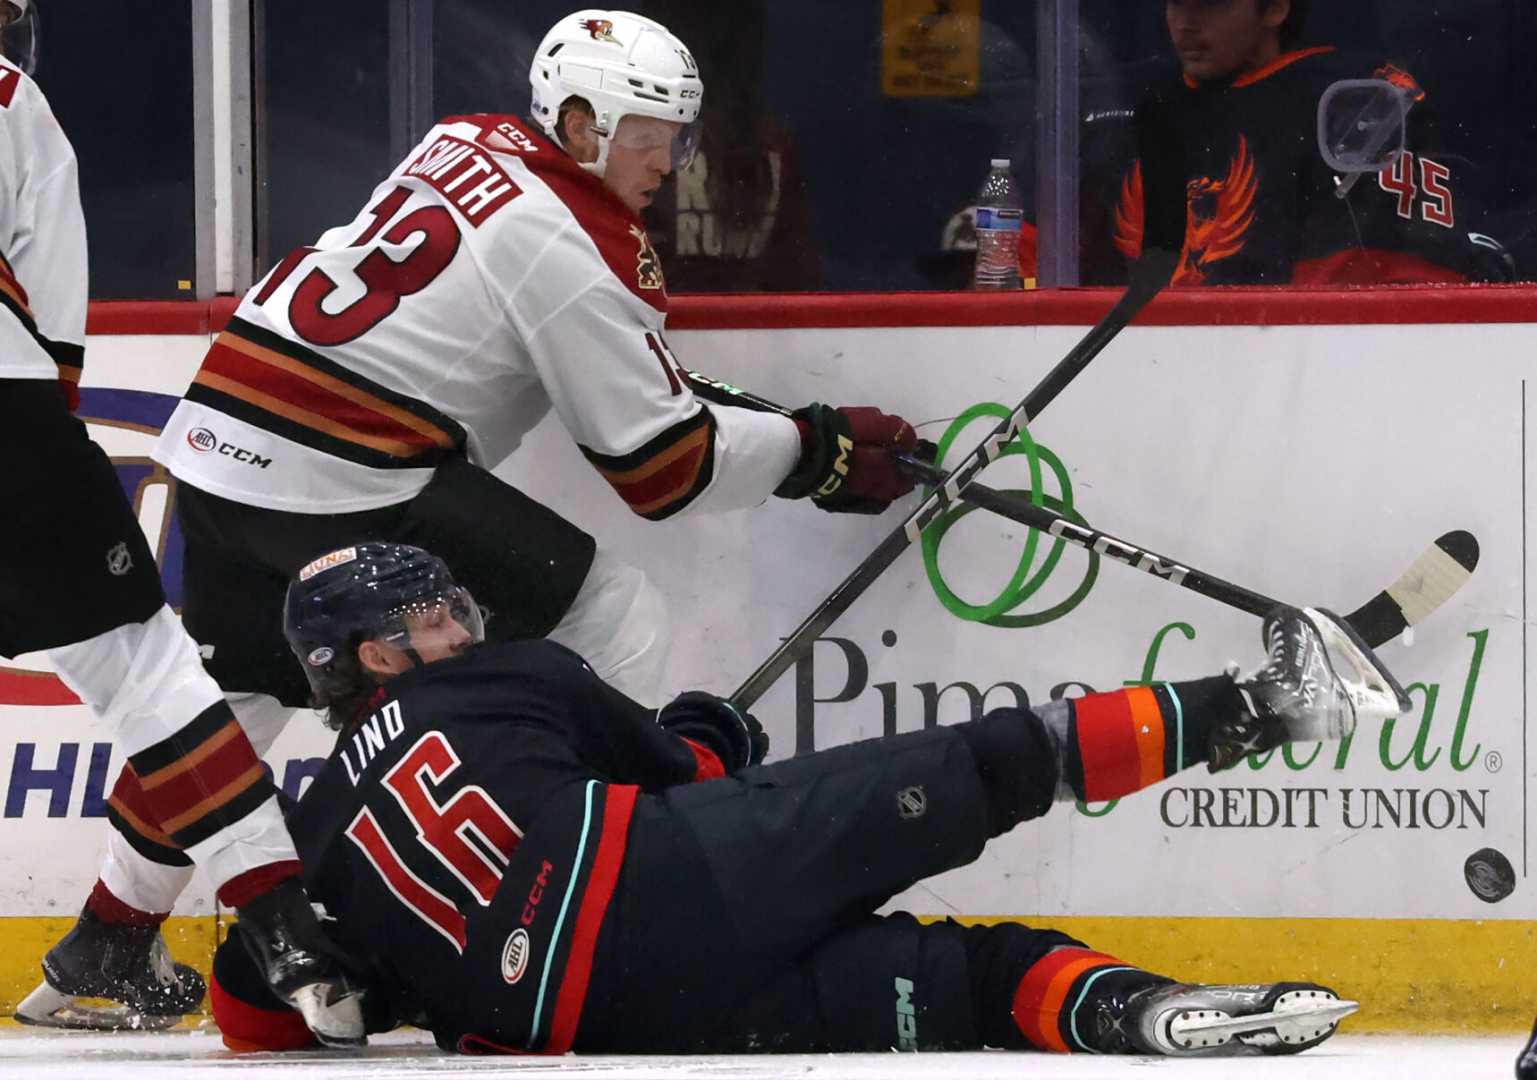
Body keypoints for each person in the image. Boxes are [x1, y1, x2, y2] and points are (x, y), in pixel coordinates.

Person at [27, 8, 921, 1031]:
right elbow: (660, 467)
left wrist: (787, 432)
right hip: (343, 468)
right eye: (652, 133)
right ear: (583, 126)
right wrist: (814, 456)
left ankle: (106, 938)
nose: (671, 158)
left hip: (220, 448)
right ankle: (530, 874)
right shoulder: (579, 243)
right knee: (613, 616)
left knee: (240, 704)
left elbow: (590, 369)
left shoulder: (461, 140)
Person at [207, 540, 1409, 1056]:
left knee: (972, 985)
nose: (459, 628)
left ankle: (1142, 1016)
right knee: (981, 767)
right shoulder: (510, 676)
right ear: (371, 655)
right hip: (659, 882)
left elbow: (257, 1020)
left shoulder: (311, 835)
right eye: (430, 619)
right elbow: (694, 781)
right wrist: (706, 727)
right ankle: (1263, 702)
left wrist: (280, 958)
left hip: (603, 1031)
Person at [1, 0, 362, 1044]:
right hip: (4, 410)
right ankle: (284, 928)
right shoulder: (14, 100)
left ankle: (113, 943)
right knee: (149, 676)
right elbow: (57, 319)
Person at [1102, 0, 1512, 286]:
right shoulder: (1120, 103)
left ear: (1276, 8)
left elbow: (1395, 290)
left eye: (1212, 3)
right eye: (1176, 2)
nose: (1185, 23)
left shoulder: (1354, 104)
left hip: (1287, 369)